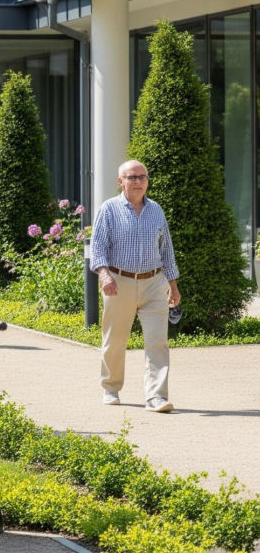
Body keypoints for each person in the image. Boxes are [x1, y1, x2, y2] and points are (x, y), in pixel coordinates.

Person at [90, 159, 181, 413]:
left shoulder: (156, 211)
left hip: (154, 283)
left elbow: (167, 251)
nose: (139, 182)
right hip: (119, 283)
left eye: (143, 177)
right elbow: (98, 249)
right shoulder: (108, 209)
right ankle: (110, 388)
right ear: (121, 182)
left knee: (157, 342)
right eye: (132, 177)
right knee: (115, 340)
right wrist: (104, 275)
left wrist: (172, 284)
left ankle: (156, 397)